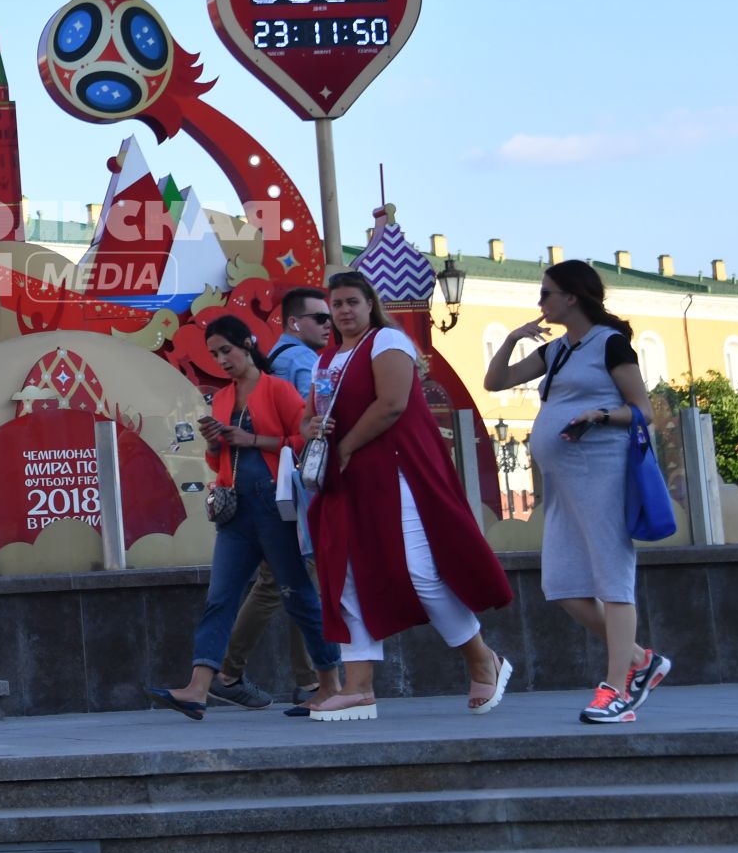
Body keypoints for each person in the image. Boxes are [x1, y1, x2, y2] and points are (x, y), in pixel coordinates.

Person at [302, 271, 514, 722]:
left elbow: (392, 404)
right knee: (346, 578)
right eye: (335, 304)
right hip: (348, 480)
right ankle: (358, 688)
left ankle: (482, 659)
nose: (343, 311)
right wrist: (314, 431)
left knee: (421, 571)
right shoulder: (326, 359)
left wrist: (343, 446)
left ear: (368, 303)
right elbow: (307, 419)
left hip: (395, 472)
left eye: (351, 302)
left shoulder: (386, 342)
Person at [485, 259, 671, 725]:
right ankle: (640, 661)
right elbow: (495, 382)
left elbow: (643, 411)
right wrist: (511, 339)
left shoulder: (610, 345)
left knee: (612, 580)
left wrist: (599, 416)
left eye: (546, 293)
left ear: (572, 296)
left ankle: (617, 690)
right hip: (564, 486)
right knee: (563, 587)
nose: (540, 301)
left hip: (602, 475)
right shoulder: (557, 351)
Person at [145, 315, 342, 720]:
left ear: (247, 344)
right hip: (235, 509)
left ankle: (331, 686)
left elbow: (304, 439)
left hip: (274, 504)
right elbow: (218, 460)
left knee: (299, 596)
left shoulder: (279, 389)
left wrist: (252, 440)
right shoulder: (220, 398)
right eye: (215, 354)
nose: (221, 360)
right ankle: (198, 688)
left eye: (226, 350)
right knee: (221, 597)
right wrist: (215, 443)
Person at [216, 286, 333, 707]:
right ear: (294, 323)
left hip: (273, 490)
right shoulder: (302, 362)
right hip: (289, 492)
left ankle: (230, 673)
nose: (329, 324)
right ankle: (308, 682)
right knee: (298, 584)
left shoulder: (279, 363)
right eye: (321, 318)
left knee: (279, 585)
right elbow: (309, 427)